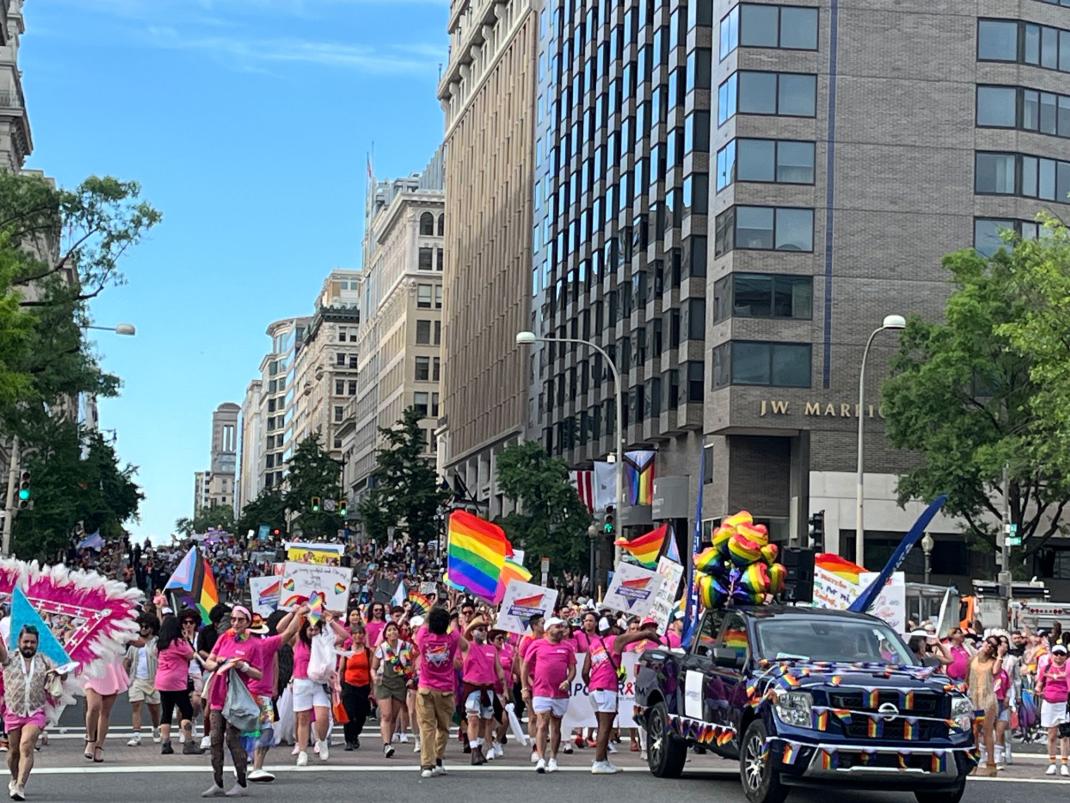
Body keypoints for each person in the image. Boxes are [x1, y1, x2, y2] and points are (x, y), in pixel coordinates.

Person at [201, 604, 262, 798]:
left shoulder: (254, 644)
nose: (236, 623)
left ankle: (241, 782)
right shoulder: (224, 638)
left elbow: (259, 674)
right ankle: (217, 781)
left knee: (232, 738)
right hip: (218, 695)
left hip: (236, 700)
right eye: (233, 619)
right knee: (215, 738)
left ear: (248, 622)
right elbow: (209, 662)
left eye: (240, 620)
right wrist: (218, 663)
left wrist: (243, 667)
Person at [583, 619, 659, 774]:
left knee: (602, 726)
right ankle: (599, 762)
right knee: (605, 728)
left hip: (594, 689)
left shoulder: (593, 645)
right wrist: (661, 642)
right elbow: (645, 634)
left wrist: (590, 685)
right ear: (613, 628)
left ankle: (603, 760)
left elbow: (585, 672)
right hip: (606, 688)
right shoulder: (615, 640)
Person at [0, 626, 64, 801]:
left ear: (37, 644)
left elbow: (63, 675)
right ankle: (14, 778)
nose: (29, 645)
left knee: (26, 745)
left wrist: (60, 674)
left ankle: (20, 786)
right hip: (13, 711)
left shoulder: (44, 660)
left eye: (32, 642)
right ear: (19, 642)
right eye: (26, 642)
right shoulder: (9, 658)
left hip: (35, 712)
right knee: (13, 752)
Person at [246, 608, 301, 783]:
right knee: (265, 730)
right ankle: (256, 766)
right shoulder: (265, 644)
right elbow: (289, 631)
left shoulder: (242, 645)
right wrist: (297, 613)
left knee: (251, 729)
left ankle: (250, 764)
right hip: (261, 694)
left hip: (251, 693)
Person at [413, 606, 466, 778]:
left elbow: (425, 622)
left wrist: (433, 610)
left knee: (427, 727)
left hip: (426, 688)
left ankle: (426, 765)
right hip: (445, 689)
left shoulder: (423, 637)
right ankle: (438, 759)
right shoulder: (452, 639)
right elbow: (456, 628)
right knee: (443, 727)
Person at [521, 616, 576, 774]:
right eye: (558, 627)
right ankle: (540, 759)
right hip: (541, 691)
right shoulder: (536, 644)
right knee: (542, 723)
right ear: (549, 629)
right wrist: (525, 687)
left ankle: (553, 758)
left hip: (560, 692)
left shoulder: (567, 647)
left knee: (556, 725)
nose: (561, 630)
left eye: (562, 627)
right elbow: (525, 665)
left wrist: (568, 680)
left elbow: (572, 668)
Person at [291, 612, 347, 767]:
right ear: (304, 630)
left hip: (319, 684)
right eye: (310, 629)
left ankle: (321, 741)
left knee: (322, 717)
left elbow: (344, 635)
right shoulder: (298, 641)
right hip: (301, 682)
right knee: (303, 719)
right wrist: (296, 614)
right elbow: (281, 629)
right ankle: (302, 752)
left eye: (316, 629)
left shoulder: (326, 641)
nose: (313, 632)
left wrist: (330, 620)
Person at [154, 614, 204, 755]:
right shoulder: (179, 643)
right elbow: (191, 654)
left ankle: (165, 743)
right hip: (177, 681)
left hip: (162, 681)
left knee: (167, 711)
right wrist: (187, 639)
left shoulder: (160, 644)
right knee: (186, 710)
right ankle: (188, 743)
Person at [460, 617, 504, 765]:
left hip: (488, 689)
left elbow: (498, 669)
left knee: (486, 721)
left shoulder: (492, 649)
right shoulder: (467, 646)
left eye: (485, 630)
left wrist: (504, 689)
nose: (483, 632)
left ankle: (478, 748)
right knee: (473, 719)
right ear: (472, 632)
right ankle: (474, 751)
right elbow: (456, 637)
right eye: (480, 629)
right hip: (472, 687)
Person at [371, 622, 413, 757]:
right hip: (384, 683)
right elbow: (373, 668)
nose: (392, 632)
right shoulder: (382, 648)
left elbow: (408, 666)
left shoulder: (405, 646)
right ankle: (386, 744)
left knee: (394, 716)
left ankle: (389, 742)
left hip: (399, 684)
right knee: (386, 715)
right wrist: (374, 678)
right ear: (385, 634)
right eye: (389, 630)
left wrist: (409, 677)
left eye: (394, 629)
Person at [84, 652, 130, 763]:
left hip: (112, 667)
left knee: (105, 712)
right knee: (94, 706)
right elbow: (70, 636)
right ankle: (91, 739)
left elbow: (137, 641)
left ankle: (99, 746)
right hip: (93, 668)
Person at [124, 614, 162, 747]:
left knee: (155, 710)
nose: (144, 629)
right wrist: (125, 677)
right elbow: (127, 660)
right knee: (136, 705)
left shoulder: (158, 642)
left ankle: (156, 728)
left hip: (154, 680)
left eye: (147, 626)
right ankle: (136, 734)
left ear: (152, 628)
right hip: (137, 679)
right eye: (141, 626)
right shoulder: (134, 642)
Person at [967, 635, 1002, 777]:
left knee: (987, 731)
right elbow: (966, 676)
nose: (989, 646)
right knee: (974, 731)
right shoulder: (973, 658)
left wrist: (999, 655)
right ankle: (973, 763)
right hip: (974, 697)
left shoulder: (993, 661)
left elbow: (995, 672)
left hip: (987, 698)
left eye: (993, 645)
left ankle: (991, 763)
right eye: (988, 643)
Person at [1036, 642, 1069, 776]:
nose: (1058, 657)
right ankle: (1052, 762)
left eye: (1062, 654)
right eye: (1056, 654)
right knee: (1052, 734)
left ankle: (1064, 763)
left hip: (1064, 703)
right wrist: (1038, 690)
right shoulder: (1046, 668)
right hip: (1049, 702)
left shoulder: (1068, 669)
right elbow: (1039, 683)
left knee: (1065, 735)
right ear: (1052, 655)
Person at [340, 622, 372, 751]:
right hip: (349, 685)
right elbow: (341, 670)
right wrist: (339, 685)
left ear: (363, 636)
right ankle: (349, 740)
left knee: (361, 715)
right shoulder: (347, 652)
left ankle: (355, 735)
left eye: (360, 633)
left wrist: (373, 689)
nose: (358, 636)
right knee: (349, 713)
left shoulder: (368, 652)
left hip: (364, 686)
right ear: (351, 636)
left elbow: (371, 669)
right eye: (355, 634)